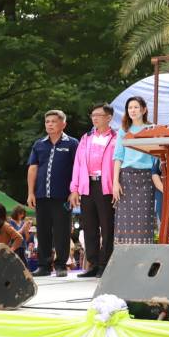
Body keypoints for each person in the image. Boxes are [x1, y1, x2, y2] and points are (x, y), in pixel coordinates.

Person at [27, 110, 79, 277]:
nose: (49, 124)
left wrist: (75, 190)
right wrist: (30, 193)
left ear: (63, 124)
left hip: (63, 196)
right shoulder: (39, 144)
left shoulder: (72, 143)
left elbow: (78, 168)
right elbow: (33, 168)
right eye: (47, 121)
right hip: (41, 195)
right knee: (42, 231)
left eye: (53, 121)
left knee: (62, 231)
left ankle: (61, 265)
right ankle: (44, 265)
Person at [69, 103, 117, 278]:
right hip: (87, 185)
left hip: (106, 186)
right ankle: (93, 264)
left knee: (107, 226)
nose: (95, 118)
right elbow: (77, 164)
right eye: (93, 115)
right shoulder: (86, 137)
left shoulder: (116, 137)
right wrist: (74, 188)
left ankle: (105, 265)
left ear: (109, 118)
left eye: (99, 115)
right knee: (89, 227)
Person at [112, 96, 156, 244]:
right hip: (126, 178)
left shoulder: (152, 128)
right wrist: (115, 182)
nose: (133, 110)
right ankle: (124, 254)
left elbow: (157, 155)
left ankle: (144, 254)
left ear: (144, 110)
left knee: (145, 219)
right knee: (124, 221)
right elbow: (118, 157)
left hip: (146, 178)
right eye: (130, 108)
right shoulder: (124, 130)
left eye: (136, 107)